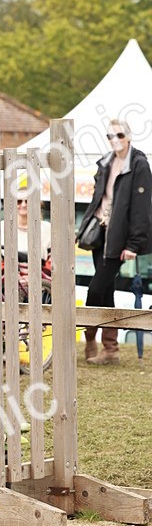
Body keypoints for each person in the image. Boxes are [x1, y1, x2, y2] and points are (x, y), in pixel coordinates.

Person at [79, 119, 152, 365]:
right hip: (100, 233)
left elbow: (142, 210)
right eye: (110, 136)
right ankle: (110, 349)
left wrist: (134, 244)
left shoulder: (139, 164)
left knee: (95, 289)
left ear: (129, 136)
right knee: (106, 291)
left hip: (119, 238)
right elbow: (98, 198)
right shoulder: (106, 161)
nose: (114, 140)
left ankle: (90, 336)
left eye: (119, 135)